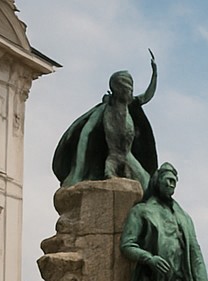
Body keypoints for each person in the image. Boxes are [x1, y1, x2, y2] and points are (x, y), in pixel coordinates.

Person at [52, 53, 158, 189]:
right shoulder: (105, 109)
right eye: (127, 89)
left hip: (128, 157)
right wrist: (77, 170)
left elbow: (147, 95)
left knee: (147, 185)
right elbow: (86, 132)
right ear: (118, 89)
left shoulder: (131, 105)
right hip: (112, 158)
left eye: (131, 89)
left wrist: (155, 74)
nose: (130, 92)